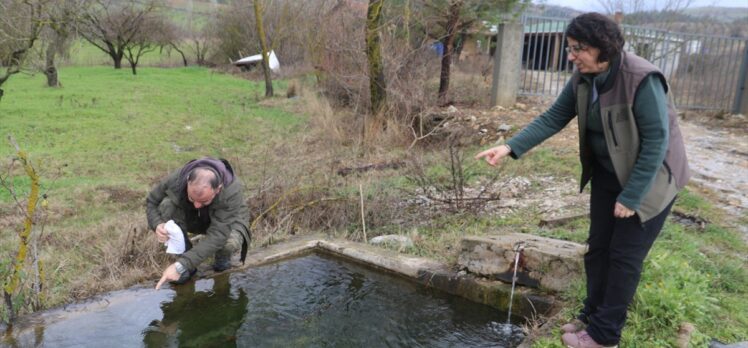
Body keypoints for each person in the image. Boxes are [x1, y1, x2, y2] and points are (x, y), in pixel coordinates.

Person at [476, 12, 689, 348]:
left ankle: (605, 336)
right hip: (608, 172)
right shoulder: (582, 78)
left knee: (623, 255)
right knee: (598, 248)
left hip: (652, 178)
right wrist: (509, 147)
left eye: (579, 48)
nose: (571, 55)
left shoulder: (642, 79)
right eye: (570, 48)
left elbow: (656, 143)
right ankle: (591, 314)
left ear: (603, 48)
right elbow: (553, 117)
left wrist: (632, 196)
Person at [147, 157, 251, 290]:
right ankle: (188, 266)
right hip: (195, 218)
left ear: (217, 189)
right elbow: (152, 201)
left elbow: (218, 234)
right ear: (188, 181)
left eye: (204, 201)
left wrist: (180, 265)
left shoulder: (231, 190)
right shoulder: (177, 179)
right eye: (192, 198)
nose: (196, 205)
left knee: (227, 244)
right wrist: (157, 224)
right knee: (167, 206)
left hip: (228, 221)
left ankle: (222, 258)